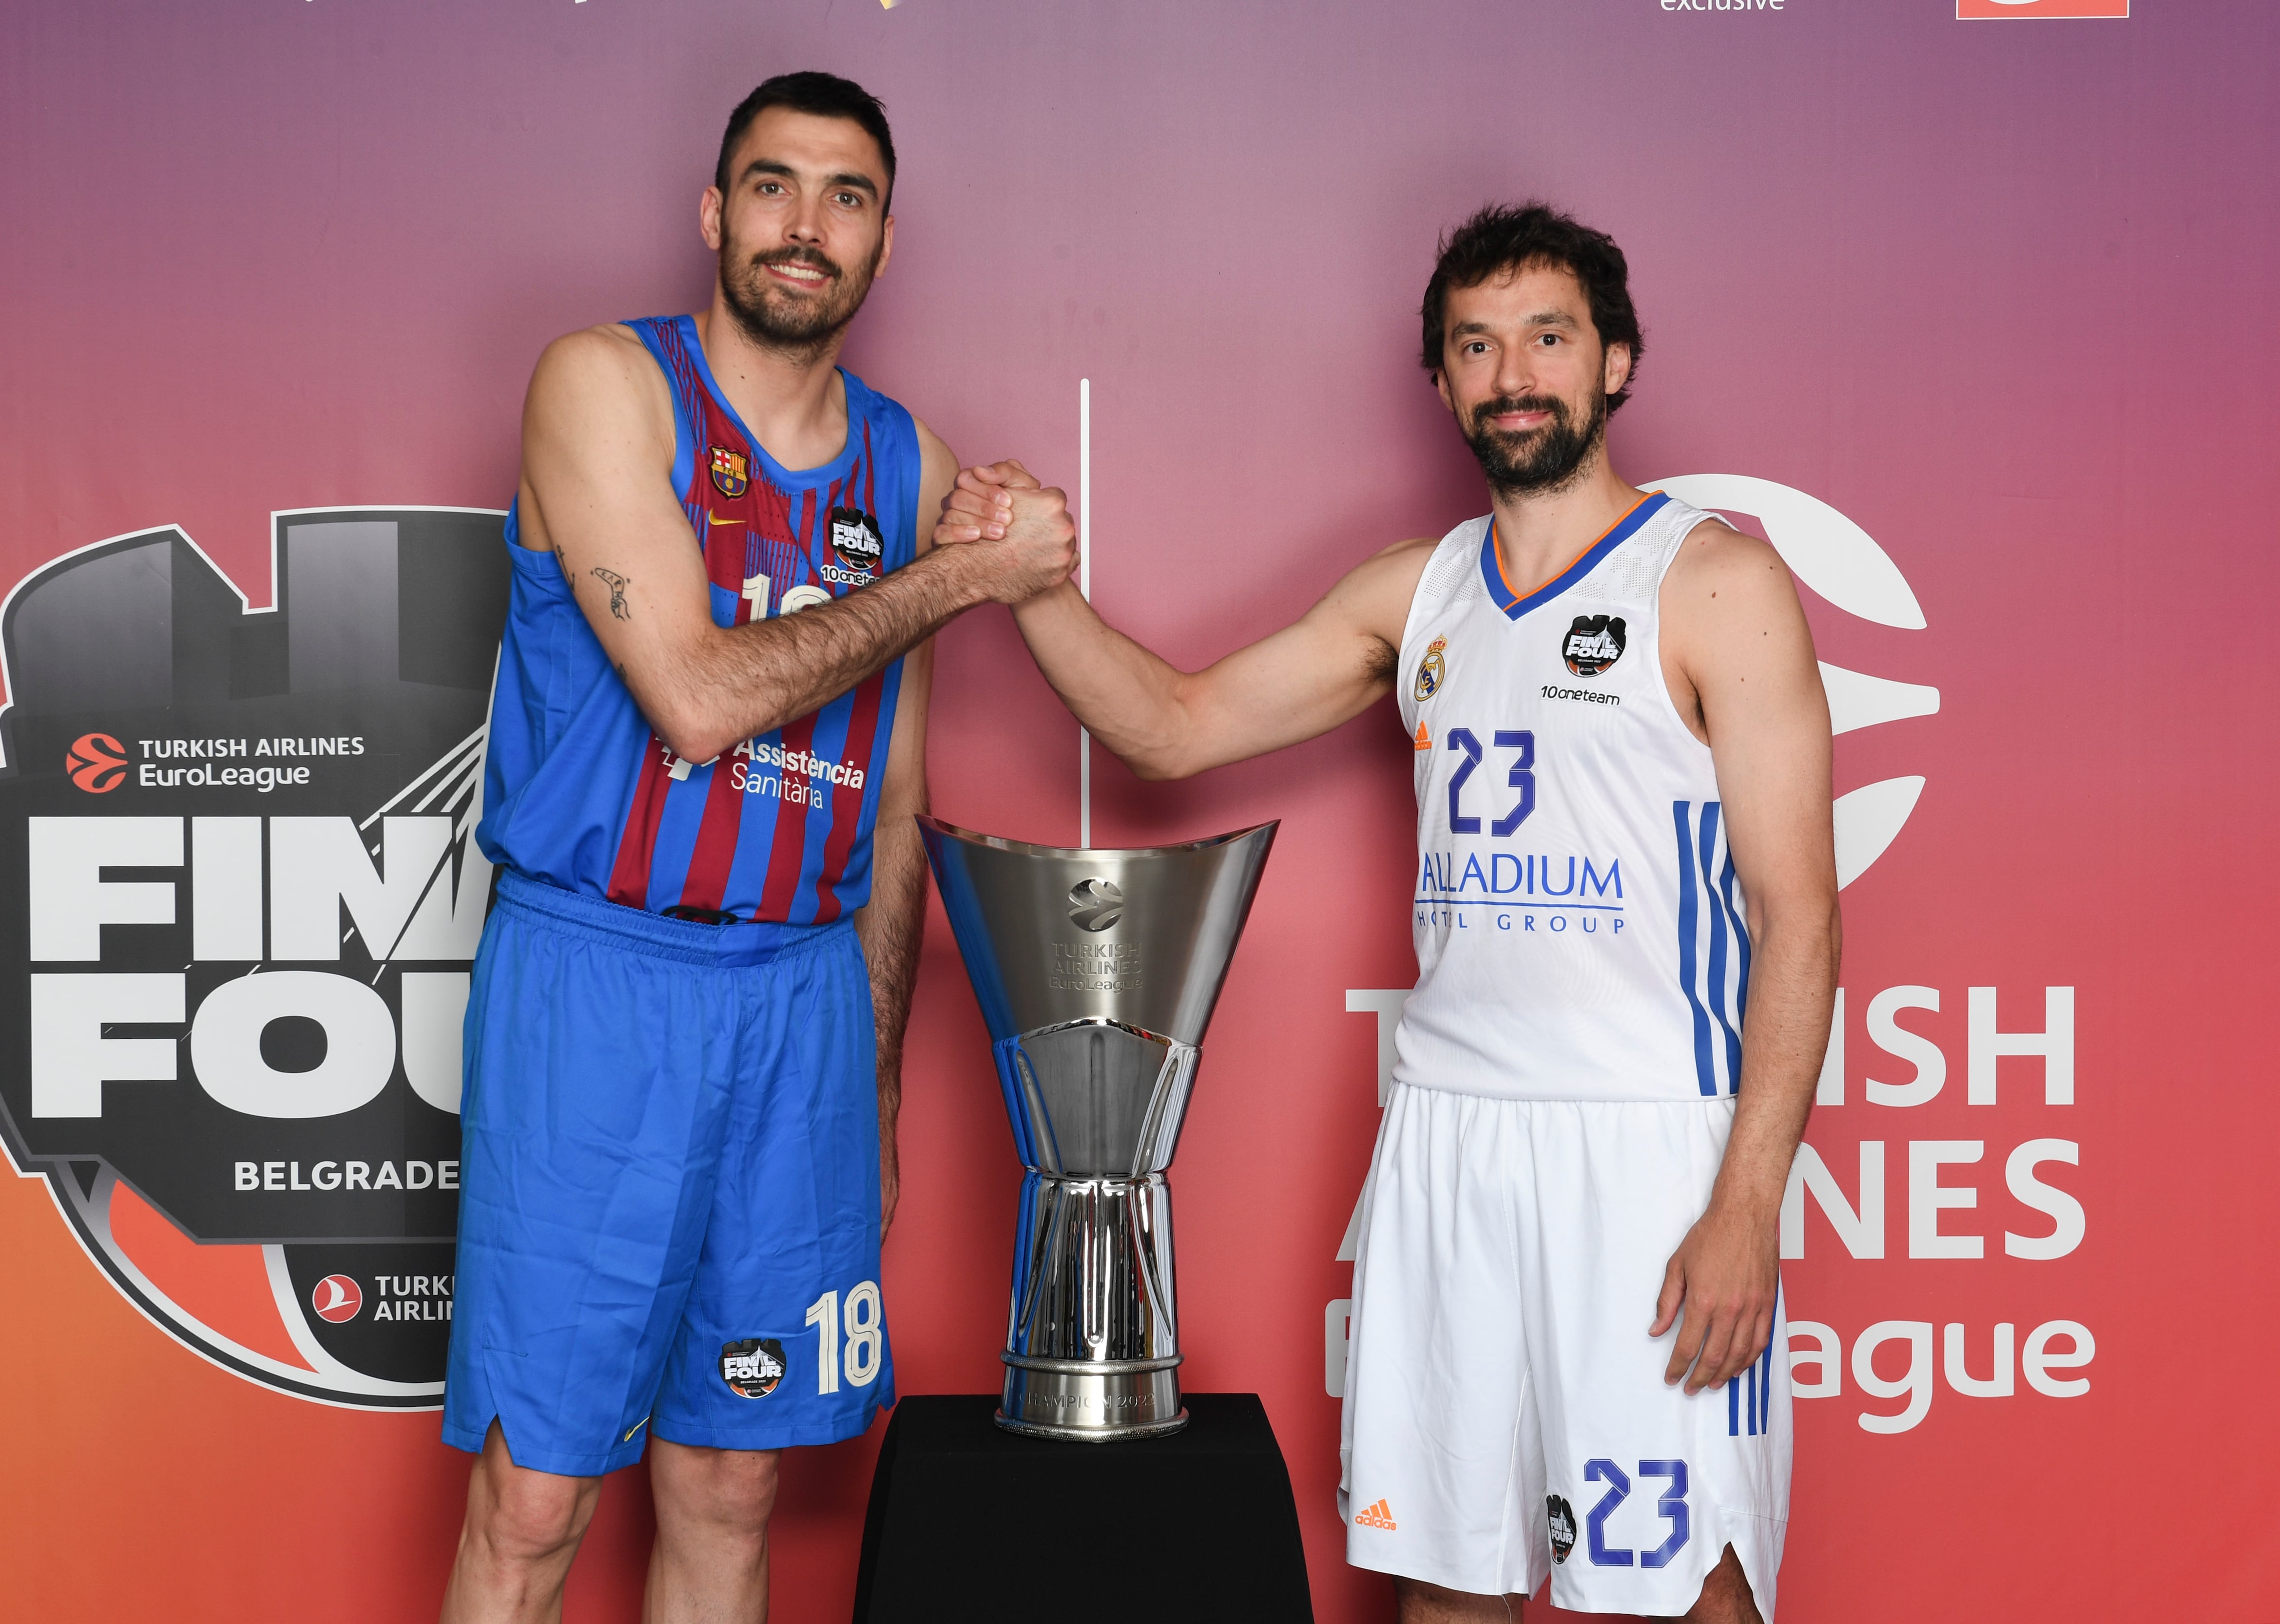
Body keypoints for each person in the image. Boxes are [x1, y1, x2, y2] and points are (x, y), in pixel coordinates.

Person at [936, 202, 1837, 1623]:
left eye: (1548, 337)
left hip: (1647, 1149)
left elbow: (1800, 921)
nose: (1512, 373)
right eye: (1475, 346)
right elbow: (1172, 727)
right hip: (1448, 1145)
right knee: (1444, 1585)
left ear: (1617, 362)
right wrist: (1028, 588)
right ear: (1442, 384)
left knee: (1684, 1596)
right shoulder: (1415, 597)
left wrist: (1746, 1201)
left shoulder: (1720, 583)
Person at [439, 72, 1074, 1624]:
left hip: (797, 1002)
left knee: (735, 1481)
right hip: (601, 976)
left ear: (882, 239)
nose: (807, 225)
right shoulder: (606, 385)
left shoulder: (905, 460)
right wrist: (957, 581)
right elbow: (702, 700)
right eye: (775, 187)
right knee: (534, 1497)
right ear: (716, 214)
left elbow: (895, 793)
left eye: (846, 197)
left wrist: (865, 1075)